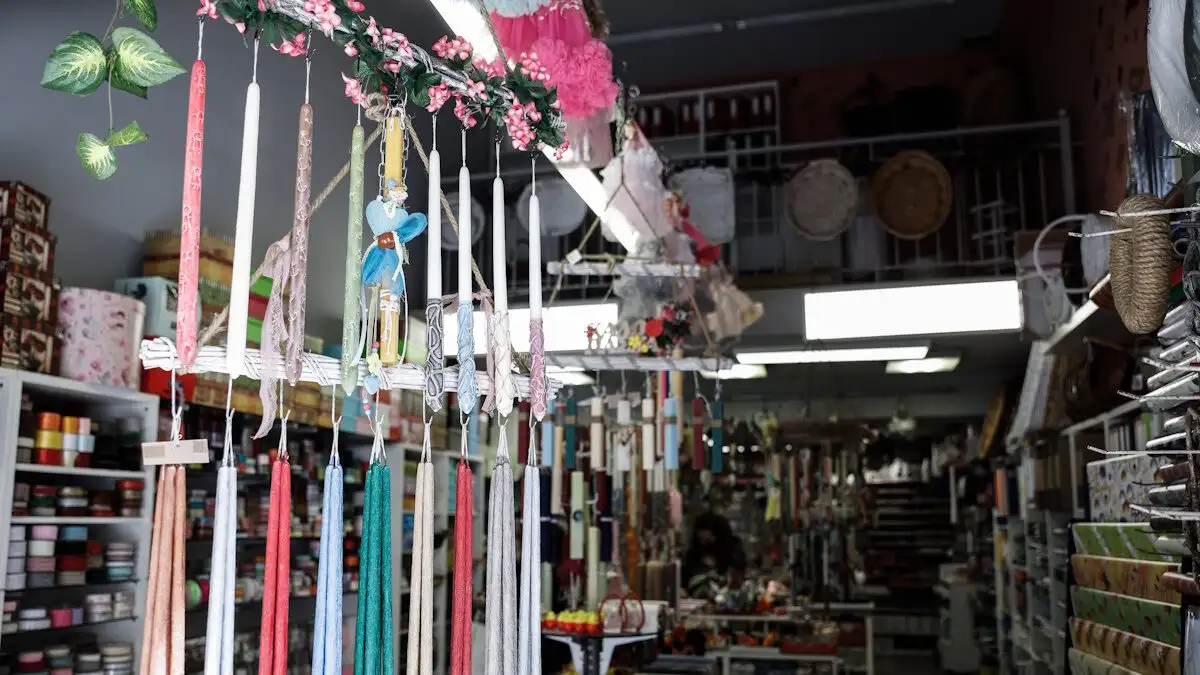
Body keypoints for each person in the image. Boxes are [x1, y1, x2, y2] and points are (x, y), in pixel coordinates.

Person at [682, 511, 747, 598]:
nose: (705, 544)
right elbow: (685, 580)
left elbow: (736, 578)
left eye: (708, 540)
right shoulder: (693, 555)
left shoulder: (733, 553)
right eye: (701, 540)